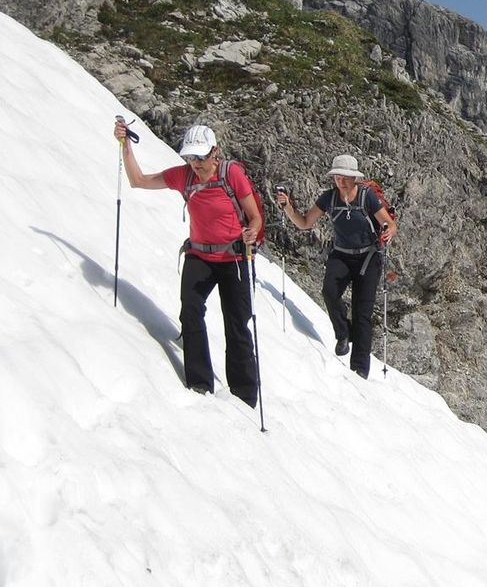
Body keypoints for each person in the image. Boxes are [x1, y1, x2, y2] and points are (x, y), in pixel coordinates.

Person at [113, 120, 261, 405]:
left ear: (215, 152)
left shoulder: (232, 175)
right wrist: (125, 145)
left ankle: (245, 396)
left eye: (200, 157)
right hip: (199, 256)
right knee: (190, 312)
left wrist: (251, 232)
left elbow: (253, 215)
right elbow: (138, 181)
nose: (195, 163)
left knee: (237, 324)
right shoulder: (184, 176)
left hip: (233, 257)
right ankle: (199, 383)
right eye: (190, 157)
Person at [275, 155, 394, 378]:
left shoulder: (367, 197)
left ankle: (359, 370)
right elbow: (305, 223)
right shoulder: (329, 198)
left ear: (353, 178)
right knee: (329, 292)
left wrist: (388, 230)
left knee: (363, 314)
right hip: (341, 255)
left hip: (368, 258)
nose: (339, 180)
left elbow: (388, 222)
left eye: (343, 176)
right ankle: (343, 333)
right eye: (337, 176)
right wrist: (288, 209)